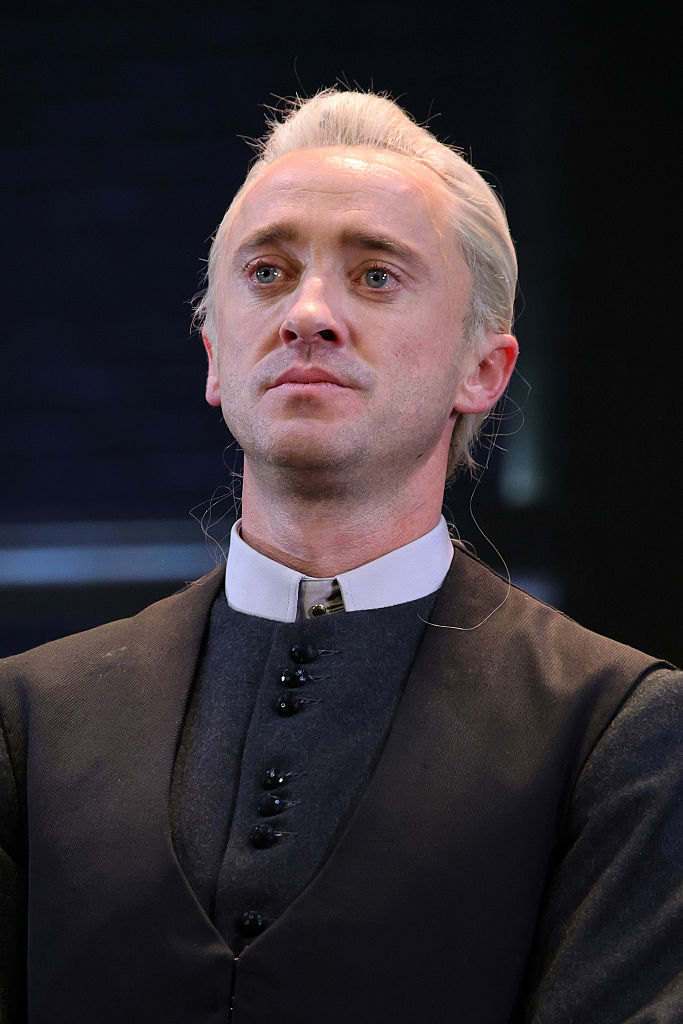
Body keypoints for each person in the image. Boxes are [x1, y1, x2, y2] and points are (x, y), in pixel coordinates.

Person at [0, 89, 680, 1024]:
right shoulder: (27, 721)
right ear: (214, 355)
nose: (307, 314)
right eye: (267, 273)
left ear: (482, 369)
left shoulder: (618, 732)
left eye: (374, 276)